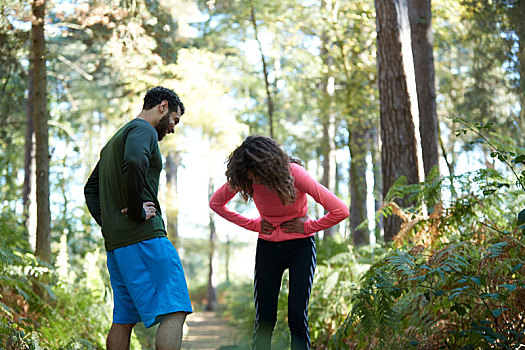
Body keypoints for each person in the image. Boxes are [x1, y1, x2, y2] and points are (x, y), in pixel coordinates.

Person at [209, 135, 349, 350]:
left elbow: (340, 210)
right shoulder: (246, 177)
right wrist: (254, 225)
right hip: (267, 248)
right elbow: (216, 203)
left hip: (300, 247)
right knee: (265, 319)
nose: (253, 180)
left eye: (256, 175)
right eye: (249, 176)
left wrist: (308, 227)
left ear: (267, 166)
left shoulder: (294, 173)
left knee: (297, 317)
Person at [84, 86, 193, 350]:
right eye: (174, 120)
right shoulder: (144, 130)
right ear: (163, 107)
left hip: (118, 245)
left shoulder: (113, 141)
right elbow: (134, 161)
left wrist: (112, 223)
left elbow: (91, 189)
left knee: (124, 319)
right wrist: (136, 211)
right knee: (175, 308)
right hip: (145, 238)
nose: (172, 128)